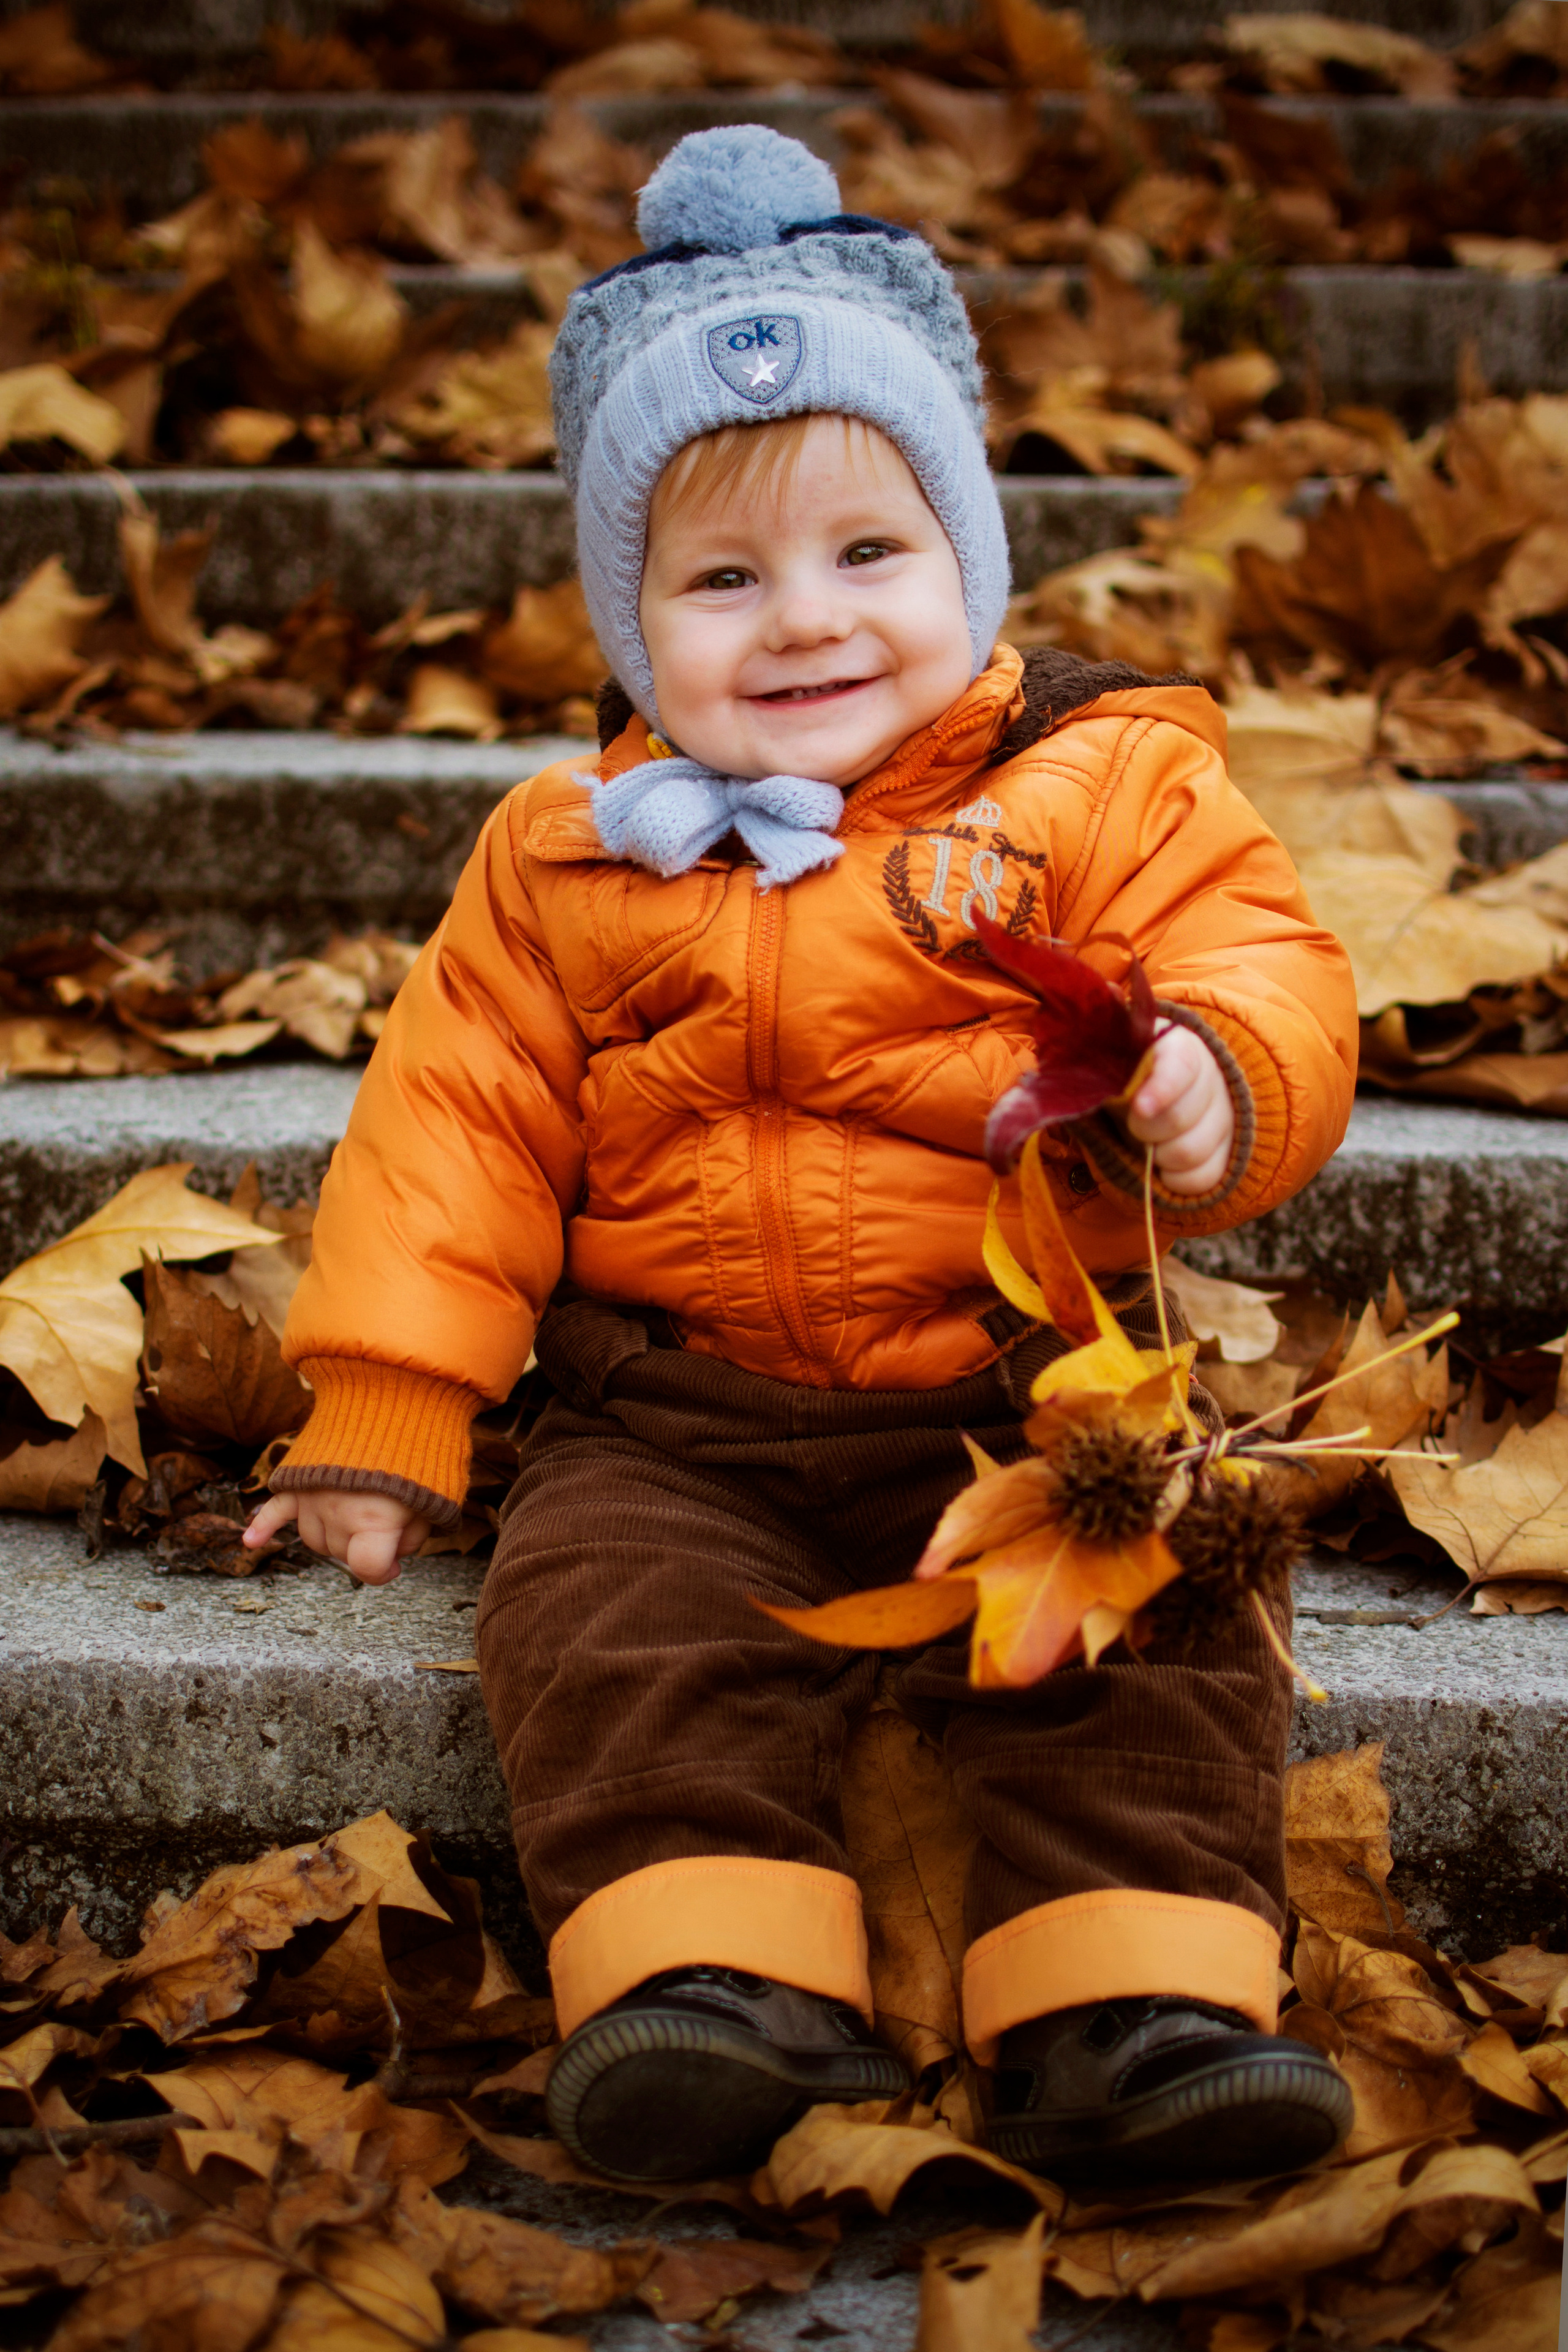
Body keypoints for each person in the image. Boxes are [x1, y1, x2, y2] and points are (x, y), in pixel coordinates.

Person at [246, 126, 1359, 2191]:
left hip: (1034, 1386)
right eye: (724, 580)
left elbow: (1259, 953)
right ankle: (707, 1977)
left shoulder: (1104, 780)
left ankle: (1136, 1996)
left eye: (870, 555)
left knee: (1164, 1615)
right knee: (606, 1620)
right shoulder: (568, 851)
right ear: (630, 620)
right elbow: (457, 1115)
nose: (805, 624)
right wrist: (386, 1405)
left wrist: (1217, 1064)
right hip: (678, 1412)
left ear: (967, 562)